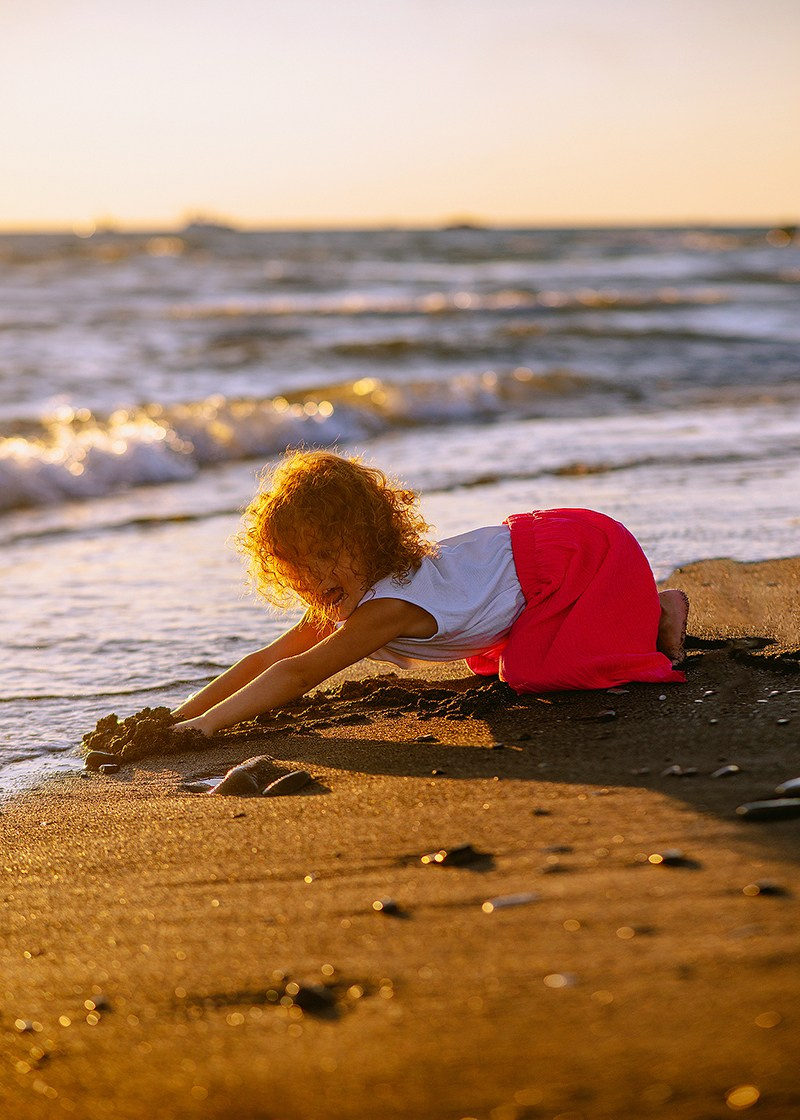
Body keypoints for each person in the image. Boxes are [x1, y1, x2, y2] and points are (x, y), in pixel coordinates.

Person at [172, 450, 687, 736]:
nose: (314, 578)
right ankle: (641, 607)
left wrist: (207, 728)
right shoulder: (340, 592)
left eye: (326, 555)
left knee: (536, 673)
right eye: (297, 568)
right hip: (541, 552)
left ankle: (657, 607)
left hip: (577, 558)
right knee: (514, 665)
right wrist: (176, 717)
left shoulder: (388, 607)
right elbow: (268, 659)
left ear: (369, 540)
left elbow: (299, 673)